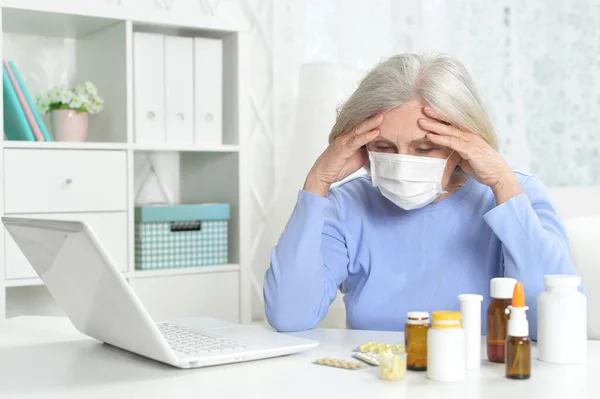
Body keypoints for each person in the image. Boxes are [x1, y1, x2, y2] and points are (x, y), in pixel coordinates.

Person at [263, 53, 579, 339]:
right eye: (385, 148)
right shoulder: (347, 205)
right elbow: (290, 316)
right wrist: (318, 182)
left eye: (424, 148)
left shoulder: (515, 194)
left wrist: (504, 188)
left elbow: (553, 325)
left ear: (462, 143)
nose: (403, 162)